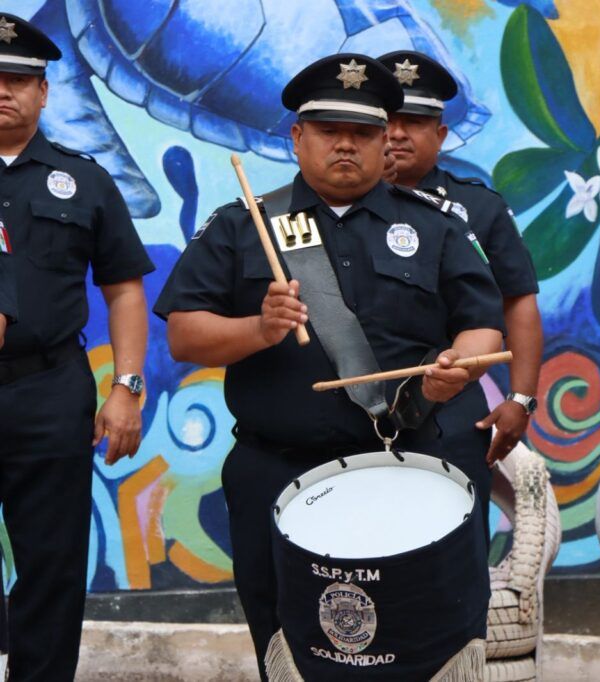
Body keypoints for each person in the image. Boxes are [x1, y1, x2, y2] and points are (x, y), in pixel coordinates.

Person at [154, 53, 505, 679]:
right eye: (328, 132)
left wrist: (461, 366)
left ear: (383, 140)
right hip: (280, 470)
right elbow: (185, 334)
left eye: (363, 133)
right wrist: (258, 329)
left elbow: (482, 321)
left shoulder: (436, 225)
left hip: (414, 467)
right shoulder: (243, 226)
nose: (346, 145)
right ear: (297, 138)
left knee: (429, 641)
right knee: (292, 644)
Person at [0, 13, 153, 681]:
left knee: (52, 562)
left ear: (44, 92)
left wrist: (126, 387)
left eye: (19, 80)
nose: (5, 91)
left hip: (48, 391)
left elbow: (123, 290)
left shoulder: (83, 180)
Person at [379, 50, 543, 465]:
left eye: (413, 123)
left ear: (441, 134)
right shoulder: (335, 208)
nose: (397, 134)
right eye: (386, 122)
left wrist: (520, 399)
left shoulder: (478, 207)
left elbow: (518, 302)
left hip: (447, 406)